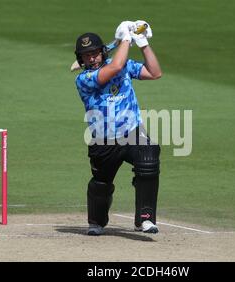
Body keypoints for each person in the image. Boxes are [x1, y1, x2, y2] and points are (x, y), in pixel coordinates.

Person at [74, 20, 162, 235]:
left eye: (95, 53)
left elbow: (155, 73)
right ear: (80, 59)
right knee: (101, 183)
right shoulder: (84, 78)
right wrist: (125, 38)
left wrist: (142, 44)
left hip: (132, 131)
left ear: (103, 52)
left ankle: (145, 219)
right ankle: (96, 221)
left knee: (149, 159)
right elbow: (114, 68)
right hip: (103, 140)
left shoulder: (124, 64)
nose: (91, 58)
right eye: (86, 55)